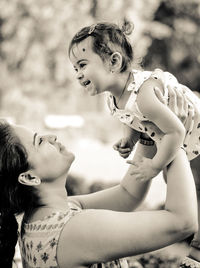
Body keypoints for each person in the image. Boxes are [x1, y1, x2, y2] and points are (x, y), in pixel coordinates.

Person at [0, 92, 198, 268]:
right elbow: (182, 222)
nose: (51, 136)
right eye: (39, 141)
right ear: (29, 177)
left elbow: (128, 194)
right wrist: (172, 134)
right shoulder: (72, 231)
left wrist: (148, 130)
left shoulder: (44, 218)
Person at [69, 21, 200, 267]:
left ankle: (196, 255)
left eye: (83, 65)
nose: (77, 74)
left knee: (193, 188)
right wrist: (129, 138)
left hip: (194, 131)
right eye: (75, 67)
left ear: (114, 62)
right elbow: (132, 116)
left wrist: (155, 165)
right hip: (179, 137)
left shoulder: (146, 95)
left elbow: (176, 130)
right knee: (179, 182)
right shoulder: (114, 99)